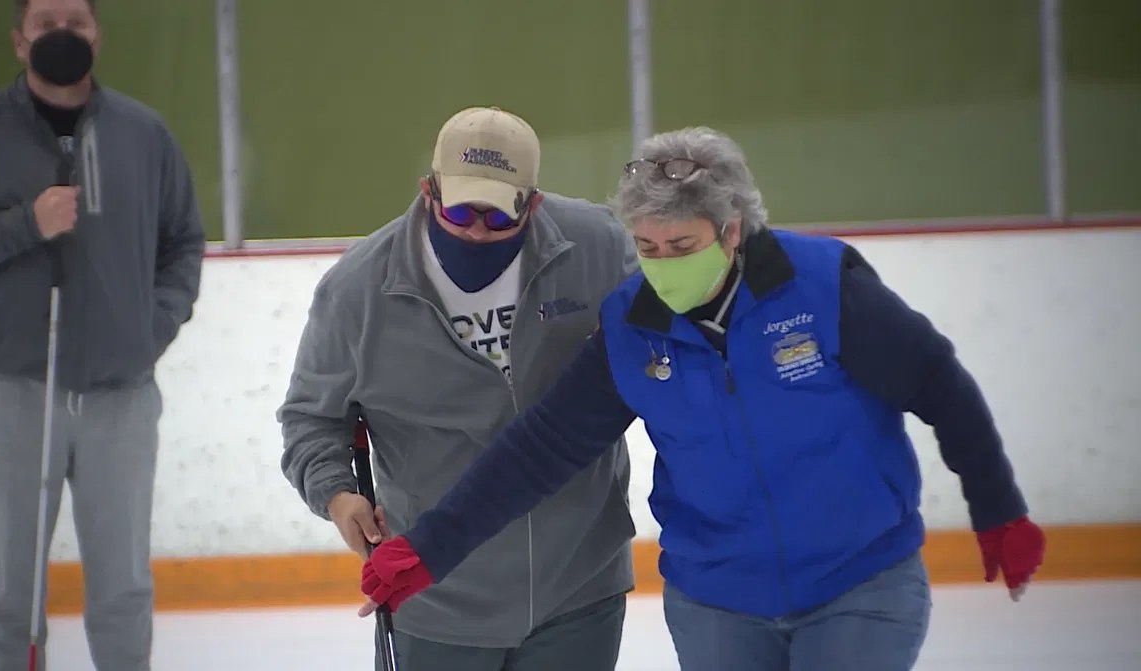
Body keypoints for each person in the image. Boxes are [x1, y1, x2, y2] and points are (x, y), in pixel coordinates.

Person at [357, 126, 1048, 670]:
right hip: (716, 600)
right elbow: (540, 448)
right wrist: (431, 548)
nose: (662, 263)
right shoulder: (633, 326)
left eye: (681, 244)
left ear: (732, 230)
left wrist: (998, 507)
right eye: (647, 246)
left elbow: (938, 382)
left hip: (857, 582)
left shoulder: (821, 288)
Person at [277, 106, 639, 671]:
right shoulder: (358, 290)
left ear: (533, 203)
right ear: (429, 190)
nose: (476, 230)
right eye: (461, 209)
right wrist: (336, 492)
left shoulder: (598, 248)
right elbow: (311, 419)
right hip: (436, 596)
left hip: (579, 582)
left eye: (498, 216)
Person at [0, 0, 205, 668]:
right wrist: (23, 225)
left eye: (77, 24)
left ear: (97, 36)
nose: (64, 35)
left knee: (122, 588)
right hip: (14, 389)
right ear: (19, 41)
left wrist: (152, 328)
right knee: (10, 589)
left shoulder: (143, 134)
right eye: (47, 25)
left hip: (121, 392)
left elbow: (183, 242)